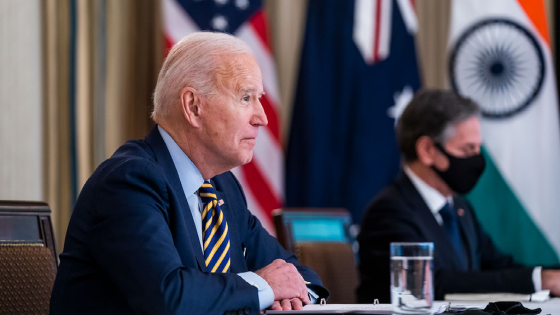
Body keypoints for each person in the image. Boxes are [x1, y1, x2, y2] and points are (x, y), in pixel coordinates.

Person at [50, 32, 328, 315]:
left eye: (259, 98)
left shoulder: (224, 188)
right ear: (193, 107)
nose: (262, 118)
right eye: (246, 97)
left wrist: (293, 294)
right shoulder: (129, 182)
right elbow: (170, 298)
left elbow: (295, 274)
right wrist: (264, 286)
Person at [357, 89, 560, 303]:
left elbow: (499, 267)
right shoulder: (389, 211)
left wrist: (548, 275)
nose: (477, 160)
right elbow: (431, 284)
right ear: (427, 150)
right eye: (466, 150)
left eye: (477, 149)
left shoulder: (460, 209)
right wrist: (540, 280)